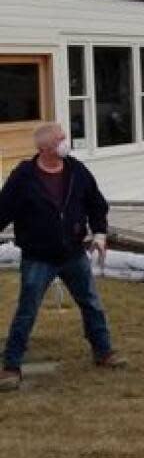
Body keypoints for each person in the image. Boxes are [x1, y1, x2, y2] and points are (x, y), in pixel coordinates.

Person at [0, 123, 126, 391]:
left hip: (73, 253)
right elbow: (3, 211)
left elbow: (96, 203)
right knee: (27, 310)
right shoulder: (23, 176)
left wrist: (101, 234)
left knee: (91, 303)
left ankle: (103, 352)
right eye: (60, 139)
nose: (65, 142)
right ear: (45, 148)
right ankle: (11, 366)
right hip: (38, 257)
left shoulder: (76, 170)